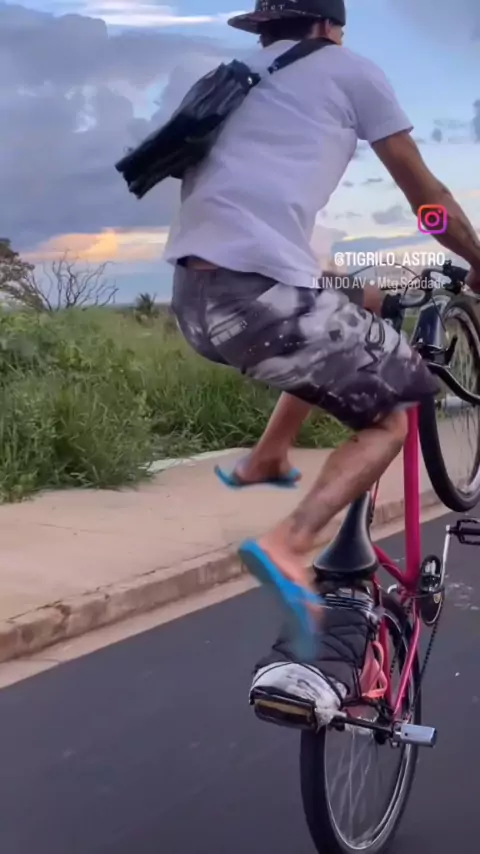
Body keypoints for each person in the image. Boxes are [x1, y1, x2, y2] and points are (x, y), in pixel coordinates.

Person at [165, 0, 480, 724]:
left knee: (343, 316)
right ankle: (289, 543)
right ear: (330, 26)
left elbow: (245, 213)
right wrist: (473, 253)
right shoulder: (349, 70)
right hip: (259, 297)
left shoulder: (232, 75)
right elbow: (426, 201)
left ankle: (267, 456)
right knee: (397, 409)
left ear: (265, 27)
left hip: (197, 299)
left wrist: (371, 290)